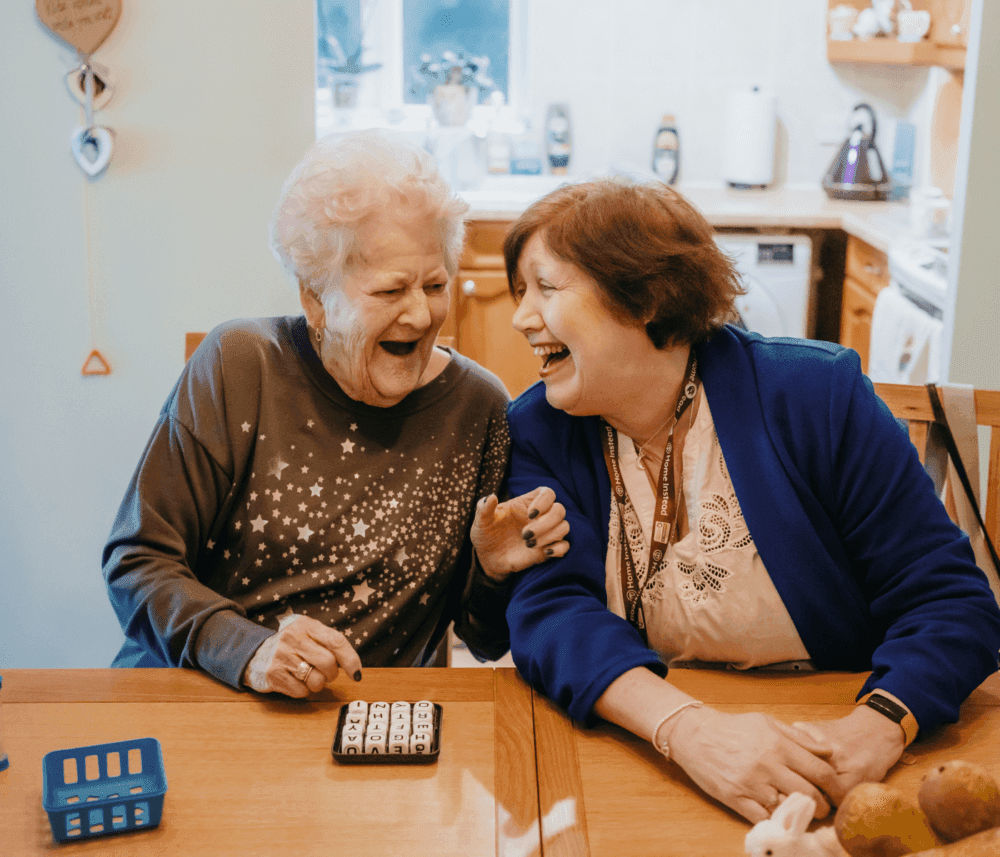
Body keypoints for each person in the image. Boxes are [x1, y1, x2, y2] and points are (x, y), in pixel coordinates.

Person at [501, 178, 1000, 824]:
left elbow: (951, 602)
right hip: (650, 760)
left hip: (828, 756)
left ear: (646, 297)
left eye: (546, 287)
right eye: (518, 292)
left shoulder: (818, 397)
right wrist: (689, 730)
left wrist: (877, 726)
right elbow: (549, 615)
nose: (520, 318)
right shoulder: (541, 428)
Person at [102, 129, 568, 699]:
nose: (421, 315)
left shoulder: (481, 408)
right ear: (314, 297)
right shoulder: (240, 365)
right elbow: (138, 561)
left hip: (372, 730)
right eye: (390, 290)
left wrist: (494, 573)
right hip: (202, 700)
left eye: (435, 284)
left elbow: (482, 637)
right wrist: (250, 651)